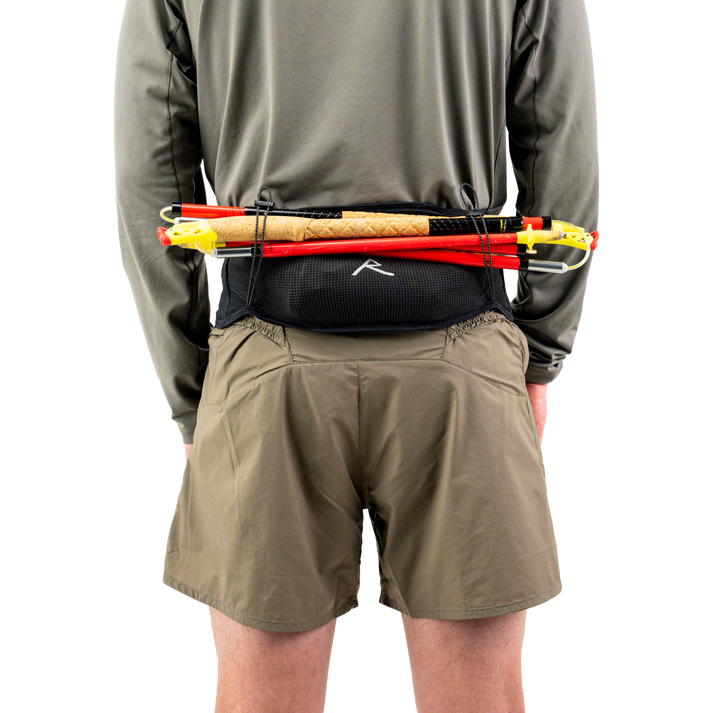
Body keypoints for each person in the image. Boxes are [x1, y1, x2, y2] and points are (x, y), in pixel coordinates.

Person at [113, 0, 599, 710]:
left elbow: (149, 162)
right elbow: (562, 138)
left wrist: (190, 391)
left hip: (265, 365)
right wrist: (541, 354)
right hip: (463, 362)